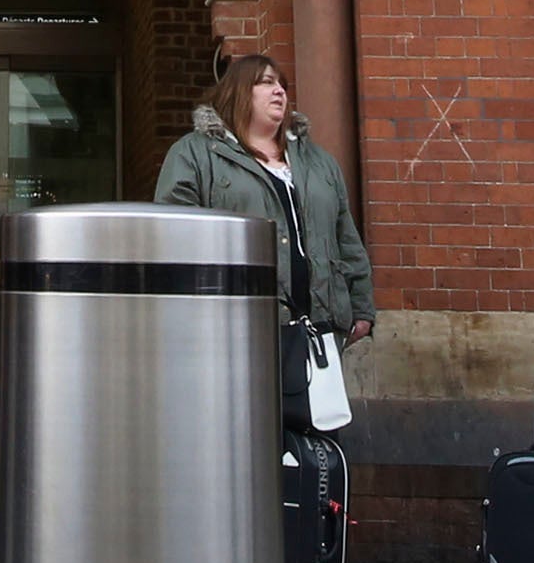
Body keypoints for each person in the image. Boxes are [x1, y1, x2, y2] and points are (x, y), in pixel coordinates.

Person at [153, 55, 375, 422]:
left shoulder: (317, 162)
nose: (279, 91)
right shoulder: (195, 154)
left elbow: (345, 235)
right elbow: (173, 235)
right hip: (237, 331)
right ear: (240, 92)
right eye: (266, 82)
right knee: (247, 438)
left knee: (316, 443)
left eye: (282, 85)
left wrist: (362, 307)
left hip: (317, 331)